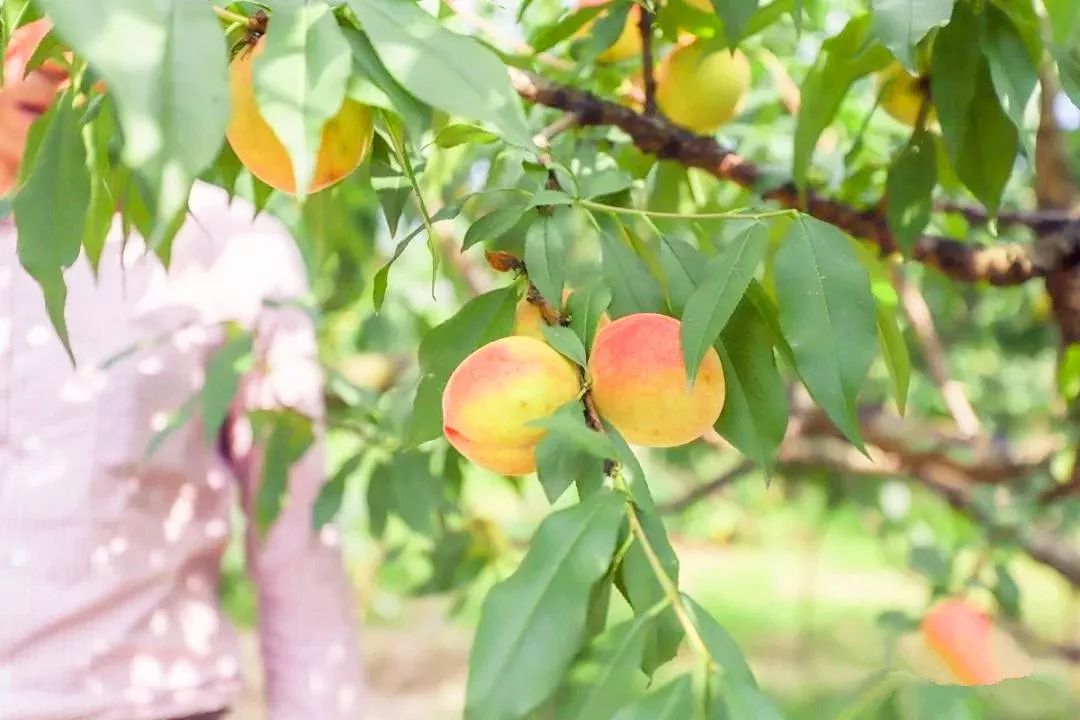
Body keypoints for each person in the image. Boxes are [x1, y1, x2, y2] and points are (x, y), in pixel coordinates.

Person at [0, 20, 365, 720]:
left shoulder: (228, 251)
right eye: (17, 17)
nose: (45, 58)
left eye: (88, 16)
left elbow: (295, 545)